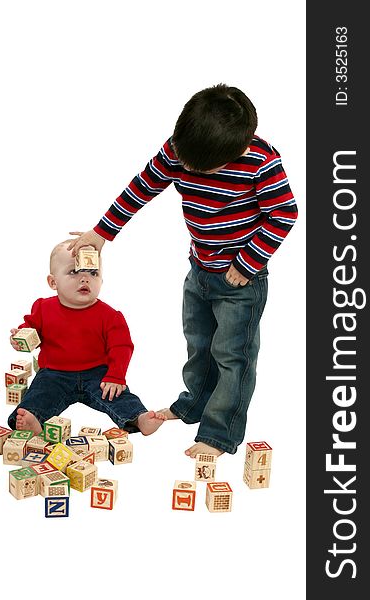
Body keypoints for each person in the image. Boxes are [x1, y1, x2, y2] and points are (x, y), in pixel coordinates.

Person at [68, 83, 298, 458]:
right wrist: (102, 232)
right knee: (199, 344)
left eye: (198, 167)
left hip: (242, 279)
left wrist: (248, 262)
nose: (186, 168)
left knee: (232, 355)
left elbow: (284, 214)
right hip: (199, 267)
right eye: (184, 160)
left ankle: (219, 433)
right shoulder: (180, 148)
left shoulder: (260, 161)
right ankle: (194, 403)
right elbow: (142, 187)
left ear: (238, 149)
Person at [7, 240, 166, 436]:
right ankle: (32, 418)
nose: (85, 279)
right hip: (54, 374)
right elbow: (30, 331)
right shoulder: (42, 308)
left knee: (119, 395)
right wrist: (20, 337)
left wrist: (115, 376)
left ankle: (139, 418)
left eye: (93, 273)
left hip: (98, 374)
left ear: (101, 280)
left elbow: (122, 346)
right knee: (40, 393)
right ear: (53, 282)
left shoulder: (110, 315)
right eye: (74, 272)